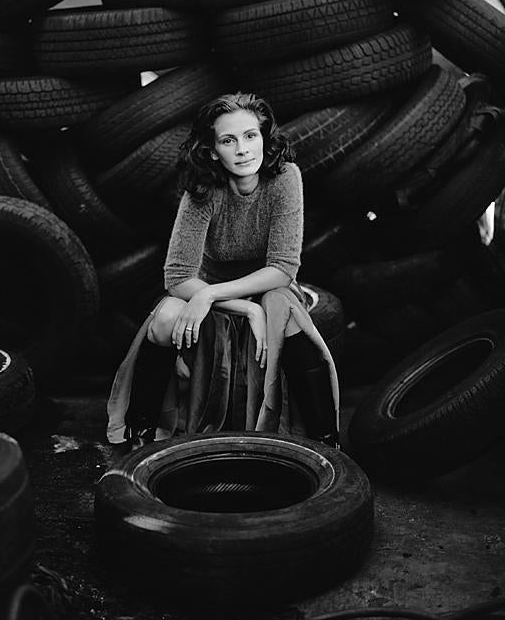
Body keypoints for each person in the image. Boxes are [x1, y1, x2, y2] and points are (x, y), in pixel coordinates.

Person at [106, 92, 340, 448]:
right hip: (206, 287)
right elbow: (178, 276)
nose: (243, 149)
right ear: (214, 151)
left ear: (264, 138)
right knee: (166, 318)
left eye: (251, 136)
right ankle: (142, 432)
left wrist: (220, 297)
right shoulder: (202, 191)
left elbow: (282, 268)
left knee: (283, 309)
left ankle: (326, 440)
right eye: (229, 140)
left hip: (264, 286)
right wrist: (235, 303)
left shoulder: (285, 178)